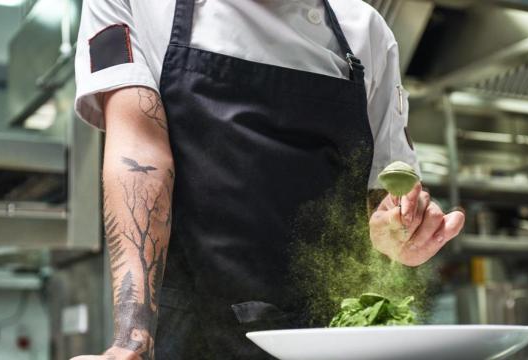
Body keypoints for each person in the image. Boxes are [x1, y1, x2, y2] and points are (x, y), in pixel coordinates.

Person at [71, 0, 465, 359]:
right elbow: (140, 154)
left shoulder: (365, 30)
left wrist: (400, 229)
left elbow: (382, 195)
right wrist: (132, 341)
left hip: (329, 341)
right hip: (195, 335)